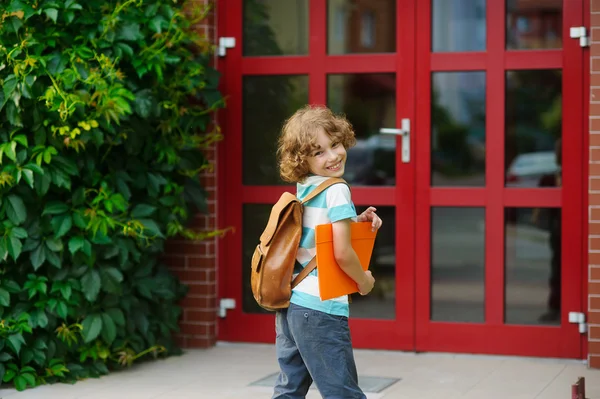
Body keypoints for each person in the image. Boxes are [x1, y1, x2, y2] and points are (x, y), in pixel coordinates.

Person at [273, 105, 382, 399]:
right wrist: (364, 281)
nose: (333, 156)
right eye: (319, 152)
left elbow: (315, 235)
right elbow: (342, 253)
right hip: (320, 308)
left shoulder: (305, 185)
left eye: (334, 145)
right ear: (303, 158)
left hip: (291, 304)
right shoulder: (337, 190)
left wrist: (354, 220)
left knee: (289, 390)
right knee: (342, 391)